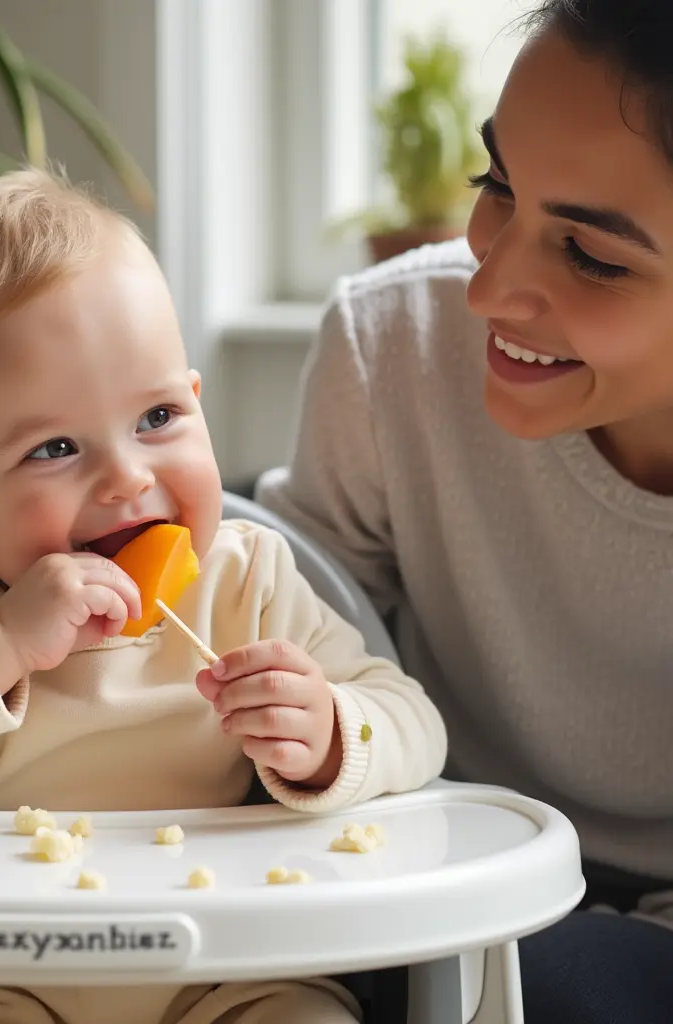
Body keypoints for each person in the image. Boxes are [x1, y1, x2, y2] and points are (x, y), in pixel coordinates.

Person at [0, 169, 447, 1024]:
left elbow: (413, 720)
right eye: (54, 447)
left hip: (235, 965)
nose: (128, 478)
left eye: (158, 418)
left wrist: (328, 740)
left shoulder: (247, 583)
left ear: (197, 403)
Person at [256, 1, 673, 1022]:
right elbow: (293, 649)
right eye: (499, 187)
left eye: (591, 255)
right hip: (436, 871)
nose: (486, 290)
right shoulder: (388, 344)